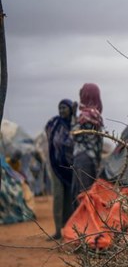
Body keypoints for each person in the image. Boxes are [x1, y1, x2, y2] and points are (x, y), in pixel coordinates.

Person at [45, 99, 76, 240]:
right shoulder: (55, 123)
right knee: (58, 197)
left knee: (69, 198)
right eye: (60, 107)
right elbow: (54, 140)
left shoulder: (74, 124)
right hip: (56, 166)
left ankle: (69, 229)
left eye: (64, 108)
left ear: (70, 109)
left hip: (71, 168)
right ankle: (58, 231)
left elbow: (73, 141)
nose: (61, 110)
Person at [71, 83, 104, 207]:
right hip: (92, 160)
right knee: (89, 194)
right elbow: (99, 144)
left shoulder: (85, 116)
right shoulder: (97, 116)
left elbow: (76, 135)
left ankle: (81, 225)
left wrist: (73, 116)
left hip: (82, 160)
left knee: (81, 195)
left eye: (82, 94)